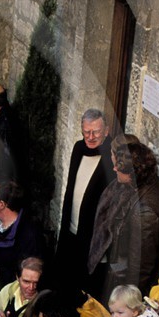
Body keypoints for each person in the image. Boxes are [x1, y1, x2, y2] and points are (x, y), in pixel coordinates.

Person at [88, 135, 159, 299]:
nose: (114, 169)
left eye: (119, 168)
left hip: (134, 291)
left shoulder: (143, 211)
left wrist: (127, 301)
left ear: (132, 173)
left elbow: (140, 267)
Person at [54, 110, 114, 293]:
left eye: (95, 132)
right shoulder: (79, 148)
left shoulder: (111, 158)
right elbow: (71, 189)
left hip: (92, 237)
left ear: (106, 131)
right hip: (71, 230)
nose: (90, 137)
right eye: (86, 131)